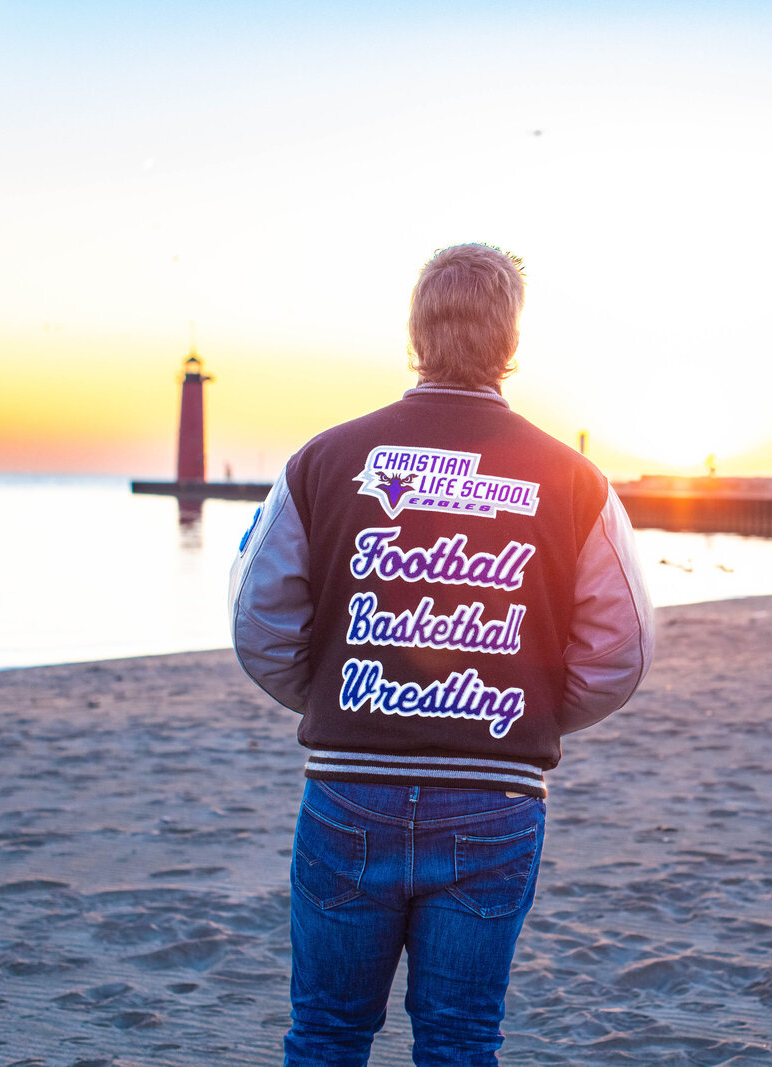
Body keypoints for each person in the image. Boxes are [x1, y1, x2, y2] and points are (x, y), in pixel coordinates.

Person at [229, 242, 655, 1066]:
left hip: (349, 787)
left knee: (326, 1033)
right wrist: (520, 706)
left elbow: (260, 619)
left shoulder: (322, 459)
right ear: (512, 342)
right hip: (495, 799)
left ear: (416, 334)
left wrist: (335, 694)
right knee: (459, 1040)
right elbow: (620, 648)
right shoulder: (573, 479)